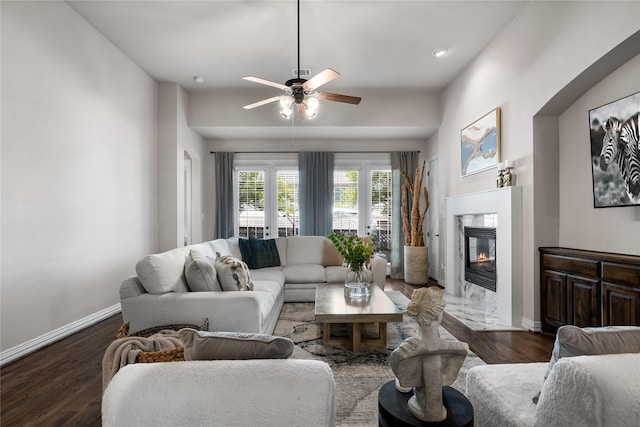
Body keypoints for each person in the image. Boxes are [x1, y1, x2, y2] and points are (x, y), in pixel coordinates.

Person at [390, 287, 469, 422]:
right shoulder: (459, 348)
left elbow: (399, 371)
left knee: (403, 386)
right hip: (436, 401)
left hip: (424, 408)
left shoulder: (407, 351)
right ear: (438, 315)